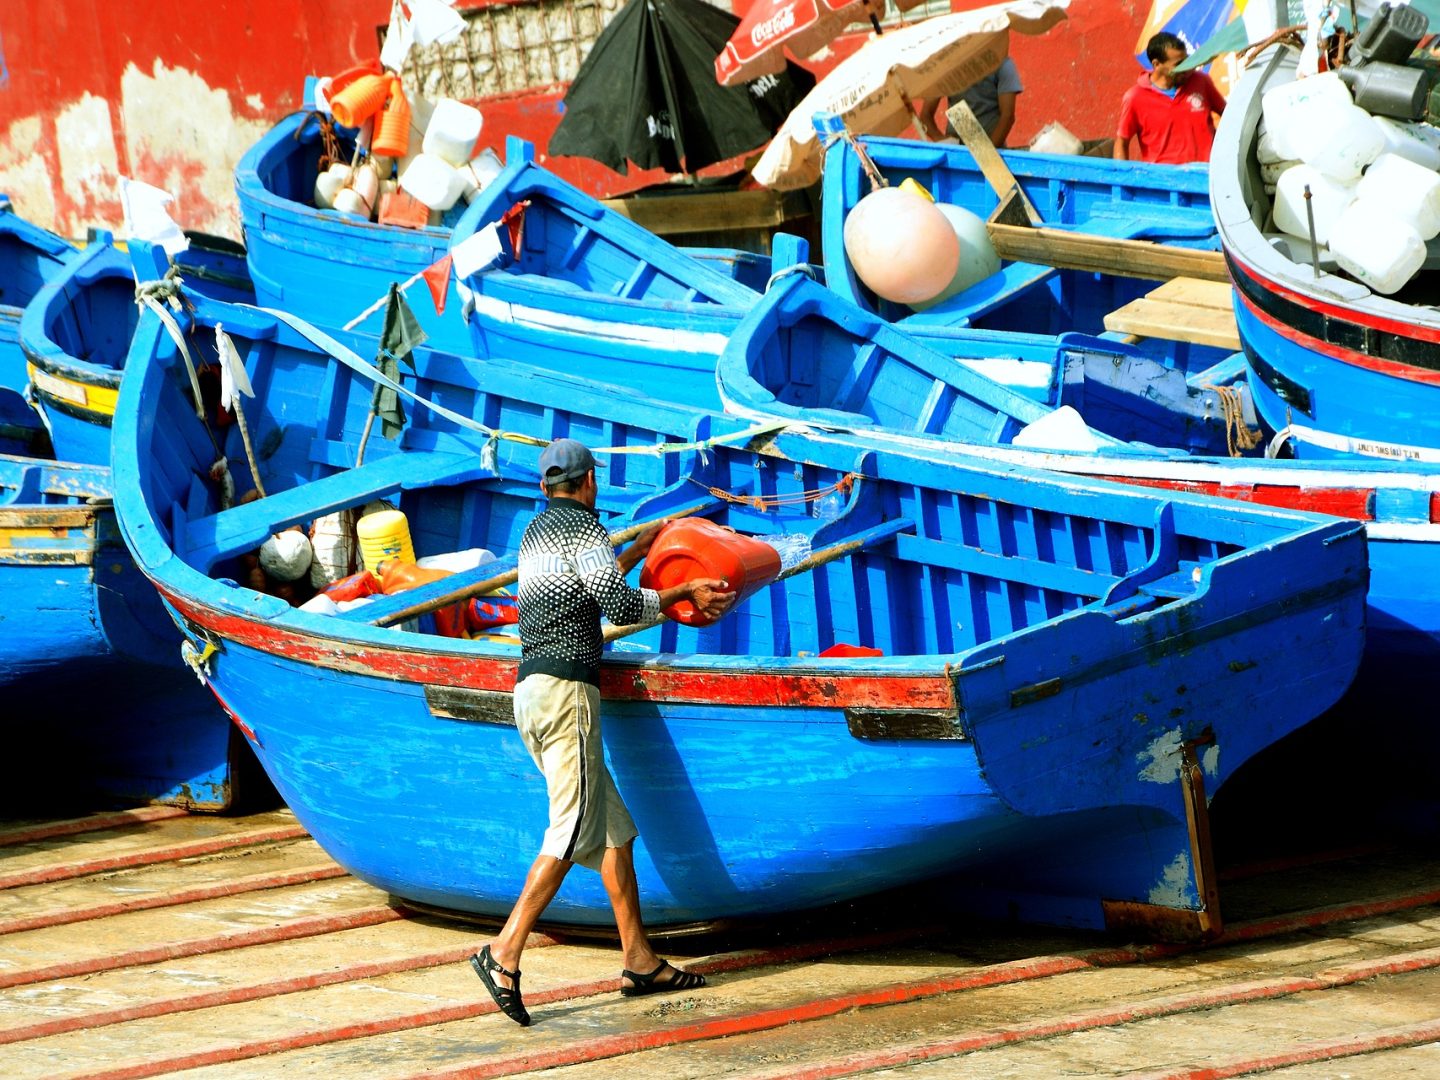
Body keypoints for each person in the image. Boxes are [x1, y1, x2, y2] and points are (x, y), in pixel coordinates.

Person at [469, 438, 735, 1027]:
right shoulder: (586, 528)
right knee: (570, 831)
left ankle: (640, 961)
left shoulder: (537, 532)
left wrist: (636, 551)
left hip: (530, 695)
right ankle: (503, 952)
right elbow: (617, 608)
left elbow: (581, 591)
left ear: (546, 485)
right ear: (589, 482)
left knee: (613, 832)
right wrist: (682, 594)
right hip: (568, 696)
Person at [1114, 31, 1227, 164]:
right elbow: (1122, 142)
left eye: (1187, 60)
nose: (1186, 67)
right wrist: (1122, 179)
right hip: (1162, 181)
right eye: (1178, 64)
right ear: (1156, 64)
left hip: (1206, 176)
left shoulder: (1201, 81)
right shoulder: (1134, 98)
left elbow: (1228, 115)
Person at [919, 56, 1023, 148]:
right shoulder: (947, 67)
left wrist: (988, 155)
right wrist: (942, 140)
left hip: (992, 151)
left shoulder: (1002, 64)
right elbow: (925, 116)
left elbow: (1007, 116)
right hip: (958, 149)